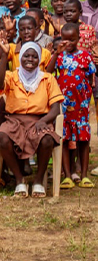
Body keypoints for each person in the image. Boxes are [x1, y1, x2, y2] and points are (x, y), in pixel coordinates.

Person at [0, 40, 63, 198]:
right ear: (20, 58)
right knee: (2, 138)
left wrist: (44, 121)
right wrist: (4, 56)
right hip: (14, 121)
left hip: (39, 120)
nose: (30, 59)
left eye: (34, 56)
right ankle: (19, 180)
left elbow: (56, 109)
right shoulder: (11, 76)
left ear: (39, 59)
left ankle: (38, 181)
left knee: (47, 140)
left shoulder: (47, 79)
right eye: (26, 56)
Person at [46, 24, 95, 189]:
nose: (68, 43)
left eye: (72, 39)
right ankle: (66, 175)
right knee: (64, 139)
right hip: (63, 105)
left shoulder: (85, 56)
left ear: (79, 39)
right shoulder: (59, 56)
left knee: (83, 140)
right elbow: (48, 72)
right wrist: (56, 53)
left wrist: (85, 98)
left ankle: (84, 175)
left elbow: (90, 78)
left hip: (81, 106)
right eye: (65, 39)